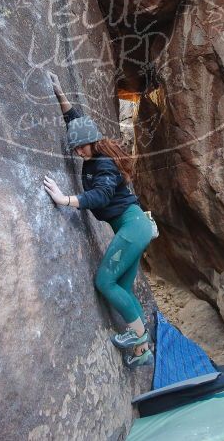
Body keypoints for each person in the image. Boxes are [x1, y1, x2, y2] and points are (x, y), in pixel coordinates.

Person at [42, 72, 154, 368]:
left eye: (80, 148)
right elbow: (76, 123)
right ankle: (143, 354)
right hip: (135, 227)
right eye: (75, 148)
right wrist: (60, 94)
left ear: (91, 143)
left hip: (132, 227)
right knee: (124, 289)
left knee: (105, 281)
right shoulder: (94, 148)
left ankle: (136, 336)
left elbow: (102, 196)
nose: (78, 152)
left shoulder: (102, 164)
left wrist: (65, 200)